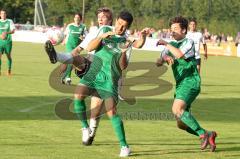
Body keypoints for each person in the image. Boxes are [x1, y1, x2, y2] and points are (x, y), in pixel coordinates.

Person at [44, 7, 148, 147]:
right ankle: (56, 56)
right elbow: (84, 49)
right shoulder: (100, 30)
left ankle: (92, 132)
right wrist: (63, 61)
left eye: (103, 17)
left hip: (109, 76)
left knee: (97, 107)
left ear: (110, 19)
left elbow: (136, 46)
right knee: (77, 63)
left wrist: (142, 38)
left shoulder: (125, 38)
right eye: (99, 16)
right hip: (92, 67)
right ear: (115, 21)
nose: (100, 19)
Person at [156, 16, 217, 152]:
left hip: (190, 81)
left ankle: (202, 135)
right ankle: (209, 134)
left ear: (184, 30)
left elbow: (179, 54)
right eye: (171, 29)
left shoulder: (188, 42)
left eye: (175, 29)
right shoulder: (171, 45)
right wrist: (164, 58)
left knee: (176, 109)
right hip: (180, 84)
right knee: (181, 124)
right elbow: (157, 62)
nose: (172, 32)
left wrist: (166, 44)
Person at [61, 13, 87, 84]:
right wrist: (64, 41)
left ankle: (63, 76)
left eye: (78, 18)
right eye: (75, 17)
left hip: (77, 47)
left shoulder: (83, 27)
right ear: (74, 18)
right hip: (69, 45)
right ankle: (68, 78)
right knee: (71, 60)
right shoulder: (70, 26)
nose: (77, 19)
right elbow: (66, 35)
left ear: (80, 19)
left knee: (71, 62)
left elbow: (86, 37)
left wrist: (83, 38)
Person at [0, 9, 15, 76]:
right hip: (0, 42)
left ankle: (9, 70)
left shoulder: (9, 21)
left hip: (8, 42)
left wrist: (6, 33)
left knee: (8, 56)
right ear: (0, 15)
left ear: (6, 14)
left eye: (4, 13)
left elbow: (13, 30)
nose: (3, 15)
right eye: (2, 13)